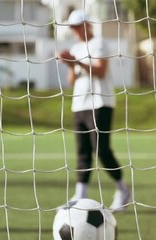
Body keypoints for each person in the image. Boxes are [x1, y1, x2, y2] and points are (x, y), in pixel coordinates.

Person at [58, 9, 130, 212]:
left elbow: (100, 70)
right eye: (72, 28)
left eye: (77, 26)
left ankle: (122, 189)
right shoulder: (75, 48)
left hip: (100, 102)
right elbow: (72, 81)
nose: (75, 31)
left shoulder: (99, 44)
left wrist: (76, 61)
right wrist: (71, 65)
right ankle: (80, 195)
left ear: (86, 25)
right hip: (79, 104)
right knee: (82, 151)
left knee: (101, 150)